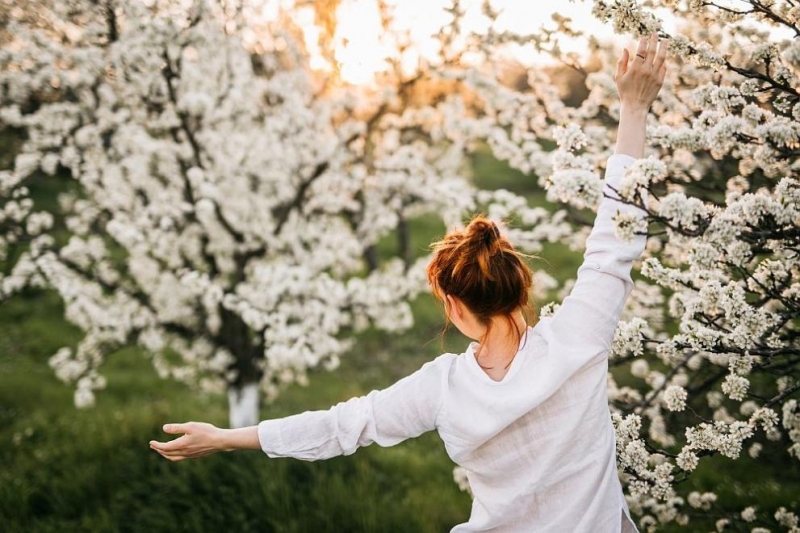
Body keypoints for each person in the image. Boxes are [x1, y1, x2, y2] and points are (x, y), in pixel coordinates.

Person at [150, 34, 667, 532]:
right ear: (517, 284)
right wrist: (634, 108)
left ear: (456, 307)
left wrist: (225, 437)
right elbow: (615, 240)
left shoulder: (443, 389)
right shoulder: (578, 337)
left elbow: (340, 426)